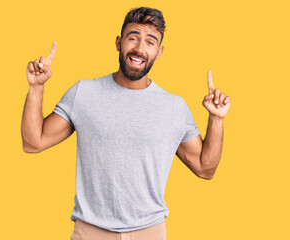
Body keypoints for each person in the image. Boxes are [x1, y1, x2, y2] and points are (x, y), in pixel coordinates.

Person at [21, 6, 231, 240]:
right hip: (91, 232)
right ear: (119, 42)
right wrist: (36, 87)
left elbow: (205, 168)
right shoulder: (84, 93)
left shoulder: (174, 107)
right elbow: (33, 142)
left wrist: (216, 119)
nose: (140, 49)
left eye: (150, 42)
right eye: (133, 38)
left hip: (149, 232)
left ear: (159, 52)